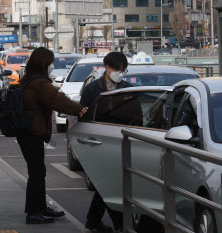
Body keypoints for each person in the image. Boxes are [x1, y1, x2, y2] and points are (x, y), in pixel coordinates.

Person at [17, 47, 87, 224]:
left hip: (27, 132)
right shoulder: (40, 83)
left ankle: (40, 207)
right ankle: (34, 212)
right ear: (44, 64)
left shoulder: (29, 79)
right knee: (37, 173)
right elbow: (57, 99)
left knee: (38, 171)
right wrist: (79, 109)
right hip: (31, 132)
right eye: (50, 62)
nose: (52, 65)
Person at [80, 52, 131, 233]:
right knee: (109, 182)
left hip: (121, 142)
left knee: (108, 183)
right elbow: (83, 116)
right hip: (98, 142)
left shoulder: (129, 89)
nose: (120, 73)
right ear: (107, 67)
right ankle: (119, 224)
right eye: (117, 69)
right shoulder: (91, 89)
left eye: (123, 70)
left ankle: (94, 220)